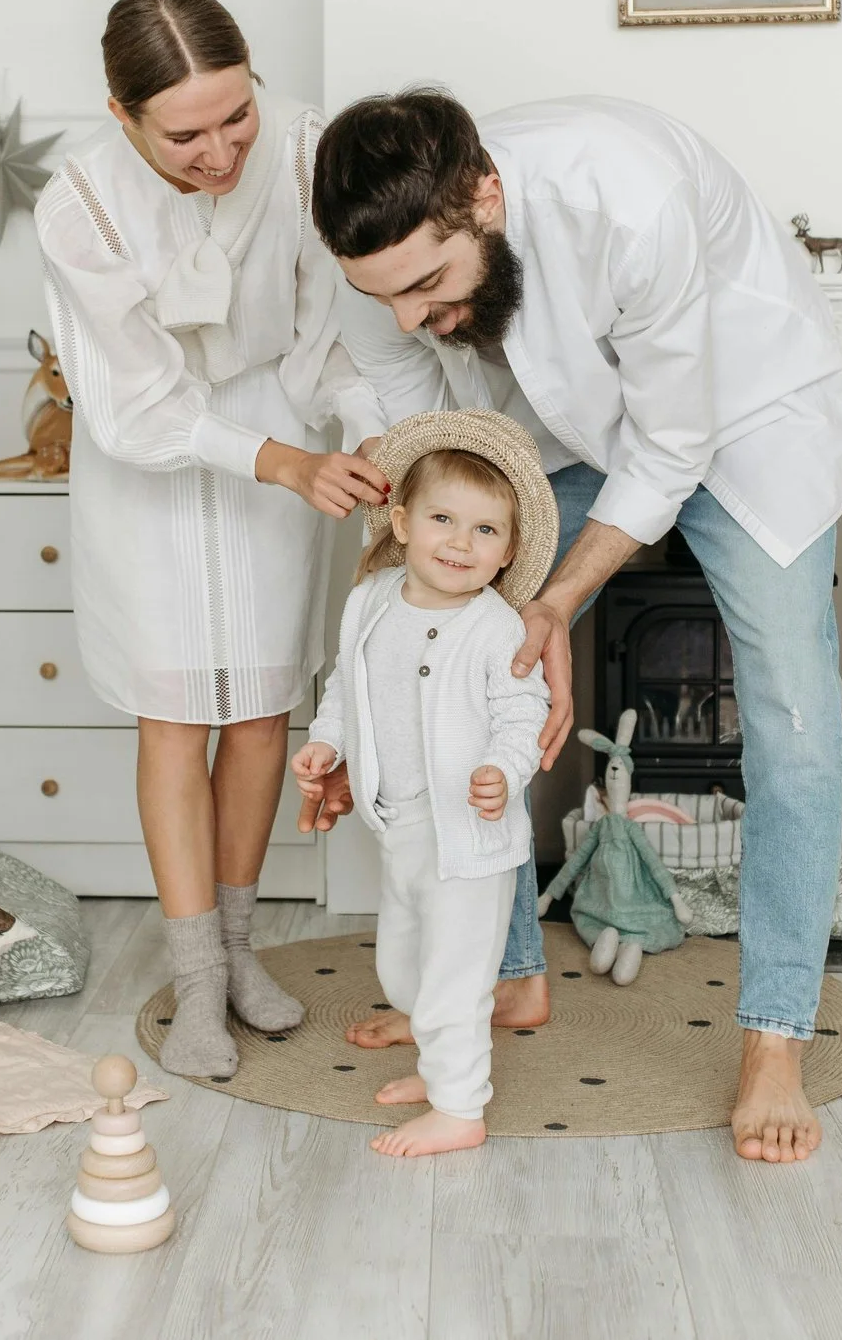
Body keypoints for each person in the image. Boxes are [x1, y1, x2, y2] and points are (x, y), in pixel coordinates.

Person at [310, 89, 842, 1163]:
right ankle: (502, 974)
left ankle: (775, 1034)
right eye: (389, 300)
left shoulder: (628, 199)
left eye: (428, 284)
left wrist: (560, 594)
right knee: (483, 664)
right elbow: (416, 417)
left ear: (483, 195)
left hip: (747, 413)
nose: (412, 316)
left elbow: (670, 443)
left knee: (794, 723)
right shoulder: (379, 268)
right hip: (556, 423)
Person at [34, 0, 388, 1079]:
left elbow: (328, 341)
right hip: (155, 475)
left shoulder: (300, 153)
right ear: (121, 112)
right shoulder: (80, 206)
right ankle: (192, 985)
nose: (220, 149)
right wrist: (276, 460)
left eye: (236, 114)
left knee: (262, 716)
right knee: (177, 718)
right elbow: (136, 405)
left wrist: (371, 439)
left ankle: (239, 956)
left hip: (285, 450)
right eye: (185, 133)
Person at [291, 411, 554, 1157]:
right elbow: (346, 685)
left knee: (454, 976)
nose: (460, 543)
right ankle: (442, 1071)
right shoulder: (372, 602)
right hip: (401, 823)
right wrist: (325, 740)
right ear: (401, 522)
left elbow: (521, 712)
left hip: (470, 839)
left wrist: (503, 773)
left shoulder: (493, 625)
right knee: (403, 963)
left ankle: (460, 1108)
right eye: (443, 519)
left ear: (506, 552)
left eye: (484, 530)